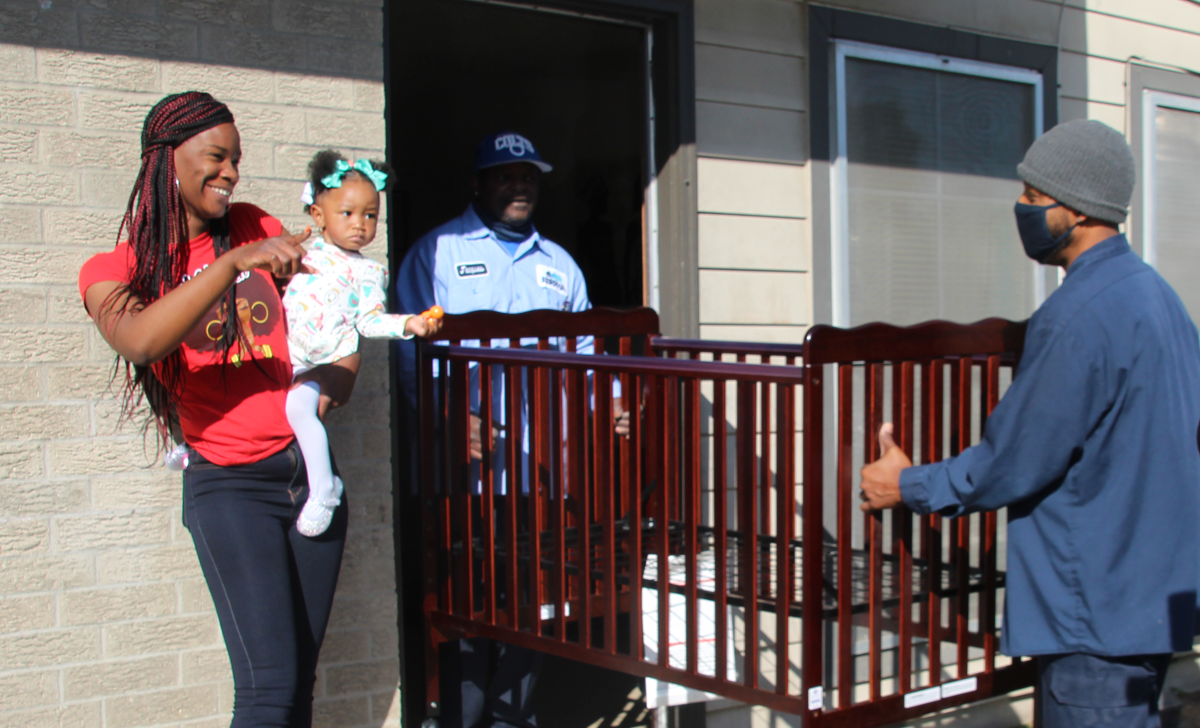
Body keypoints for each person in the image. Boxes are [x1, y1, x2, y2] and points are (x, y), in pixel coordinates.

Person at [859, 119, 1200, 728]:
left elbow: (1013, 459)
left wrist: (907, 485)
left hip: (1092, 623)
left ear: (1075, 210)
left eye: (1034, 198)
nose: (1021, 209)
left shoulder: (1078, 317)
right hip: (1147, 610)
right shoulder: (1160, 299)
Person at [78, 91, 354, 727]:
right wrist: (234, 263)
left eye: (237, 160)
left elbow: (337, 307)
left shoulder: (257, 225)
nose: (231, 173)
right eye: (217, 157)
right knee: (267, 690)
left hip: (307, 477)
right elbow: (142, 340)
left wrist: (336, 383)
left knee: (299, 688)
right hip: (230, 486)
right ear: (165, 161)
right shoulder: (115, 268)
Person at [395, 131, 623, 728]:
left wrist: (617, 399)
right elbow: (405, 351)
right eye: (505, 175)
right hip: (459, 473)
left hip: (534, 469)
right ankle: (461, 718)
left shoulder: (559, 265)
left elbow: (588, 350)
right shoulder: (438, 251)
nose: (519, 185)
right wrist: (446, 420)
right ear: (479, 182)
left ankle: (511, 719)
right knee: (465, 602)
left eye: (528, 176)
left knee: (530, 603)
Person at [284, 150, 441, 536]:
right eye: (348, 213)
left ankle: (324, 488)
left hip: (320, 363)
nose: (360, 225)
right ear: (318, 216)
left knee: (299, 408)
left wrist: (410, 323)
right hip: (284, 355)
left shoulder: (369, 271)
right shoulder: (303, 255)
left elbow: (369, 322)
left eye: (370, 215)